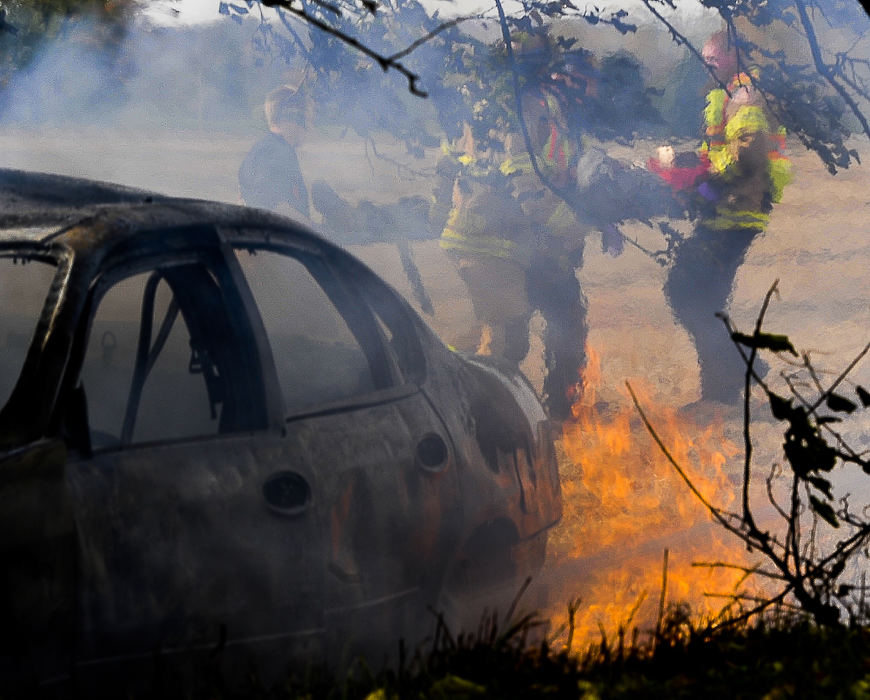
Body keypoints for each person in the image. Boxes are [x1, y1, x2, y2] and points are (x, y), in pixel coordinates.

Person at [649, 29, 792, 405]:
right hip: (724, 209)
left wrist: (705, 190)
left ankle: (743, 367)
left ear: (736, 56)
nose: (706, 66)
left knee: (684, 291)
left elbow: (746, 158)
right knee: (706, 299)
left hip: (736, 211)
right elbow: (717, 153)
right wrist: (682, 165)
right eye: (705, 59)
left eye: (713, 59)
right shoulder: (726, 95)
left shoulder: (746, 96)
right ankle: (720, 394)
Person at [238, 85, 311, 220]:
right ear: (291, 118)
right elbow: (267, 202)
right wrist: (308, 229)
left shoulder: (265, 147)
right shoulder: (277, 152)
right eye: (305, 120)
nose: (308, 128)